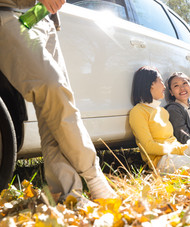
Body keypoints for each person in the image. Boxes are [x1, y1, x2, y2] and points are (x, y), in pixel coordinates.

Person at [0, 0, 116, 202]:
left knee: (52, 107)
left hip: (41, 15)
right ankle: (94, 177)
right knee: (52, 87)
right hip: (7, 11)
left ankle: (69, 195)